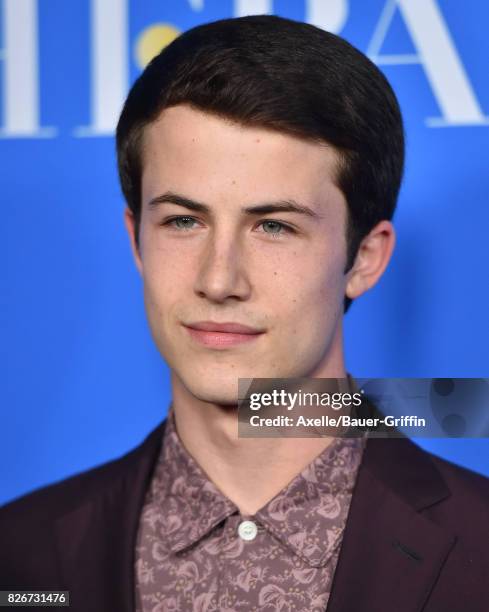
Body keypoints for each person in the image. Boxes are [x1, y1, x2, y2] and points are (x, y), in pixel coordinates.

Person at [1, 14, 488, 612]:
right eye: (183, 221)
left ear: (364, 257)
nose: (218, 280)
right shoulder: (19, 558)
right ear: (136, 241)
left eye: (274, 226)